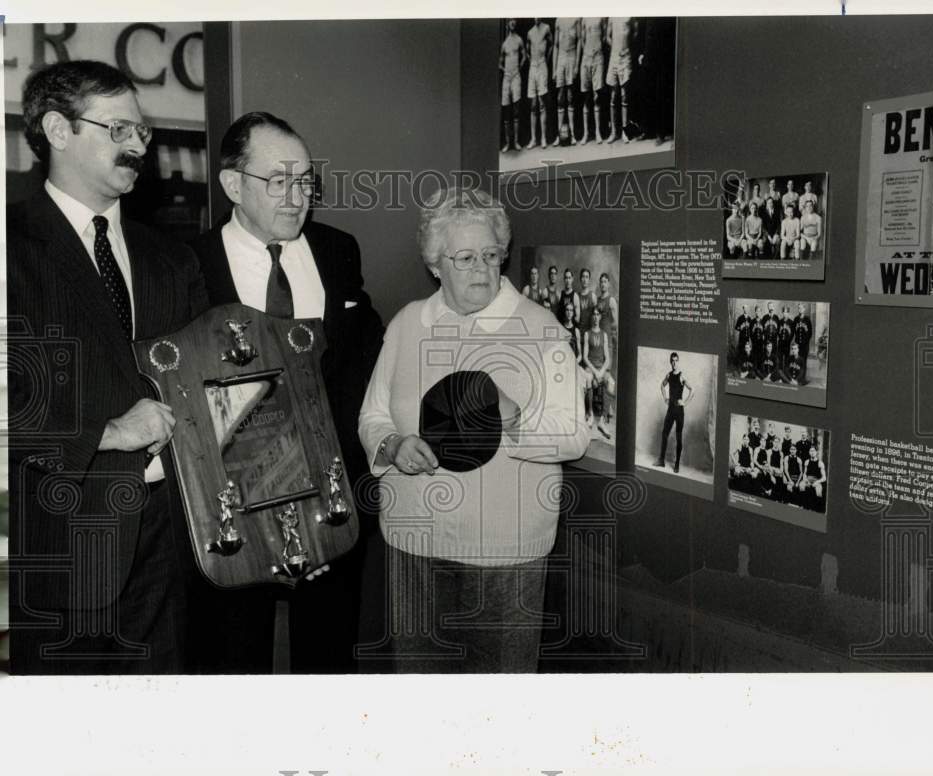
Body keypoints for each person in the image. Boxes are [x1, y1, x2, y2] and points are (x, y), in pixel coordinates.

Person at [7, 60, 209, 674]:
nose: (137, 146)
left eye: (142, 133)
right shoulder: (11, 245)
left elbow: (200, 378)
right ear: (58, 130)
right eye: (119, 128)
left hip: (172, 539)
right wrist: (110, 432)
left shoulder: (169, 256)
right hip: (65, 540)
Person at [358, 188, 589, 673]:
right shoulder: (406, 324)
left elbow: (573, 436)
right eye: (464, 258)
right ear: (435, 264)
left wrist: (512, 415)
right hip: (413, 541)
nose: (481, 269)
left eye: (490, 255)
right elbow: (373, 415)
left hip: (503, 552)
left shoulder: (540, 328)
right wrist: (393, 445)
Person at [188, 111, 384, 674]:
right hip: (231, 512)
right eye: (278, 181)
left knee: (328, 664)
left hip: (331, 503)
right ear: (232, 185)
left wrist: (333, 497)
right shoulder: (187, 265)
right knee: (232, 664)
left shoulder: (337, 250)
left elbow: (355, 368)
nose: (298, 197)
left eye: (305, 181)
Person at [637, 16, 676, 145]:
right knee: (646, 94)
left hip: (662, 59)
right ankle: (647, 130)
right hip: (648, 58)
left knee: (661, 94)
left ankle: (661, 133)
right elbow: (642, 31)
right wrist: (642, 53)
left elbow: (671, 36)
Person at [655, 352, 693, 473]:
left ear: (678, 361)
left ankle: (677, 464)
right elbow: (662, 385)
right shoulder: (669, 375)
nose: (674, 363)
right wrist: (665, 397)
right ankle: (661, 461)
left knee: (678, 437)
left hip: (679, 411)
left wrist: (685, 402)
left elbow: (692, 390)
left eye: (676, 360)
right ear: (670, 362)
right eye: (672, 360)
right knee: (664, 433)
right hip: (670, 409)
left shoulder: (682, 376)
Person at [583, 307, 615, 439]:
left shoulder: (604, 335)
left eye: (597, 314)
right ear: (592, 317)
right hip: (590, 367)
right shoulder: (587, 334)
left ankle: (602, 420)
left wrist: (601, 371)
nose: (595, 317)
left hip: (601, 368)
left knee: (612, 383)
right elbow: (585, 357)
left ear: (600, 317)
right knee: (588, 379)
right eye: (594, 314)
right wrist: (595, 372)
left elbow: (607, 358)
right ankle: (590, 413)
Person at [605, 17, 635, 143]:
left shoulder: (629, 16)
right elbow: (607, 37)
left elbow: (635, 33)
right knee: (613, 95)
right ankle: (613, 132)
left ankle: (625, 132)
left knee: (624, 95)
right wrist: (615, 49)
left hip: (625, 58)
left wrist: (626, 49)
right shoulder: (611, 16)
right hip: (614, 58)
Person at [499, 19, 526, 153]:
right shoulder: (504, 44)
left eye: (515, 20)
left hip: (516, 76)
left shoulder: (519, 40)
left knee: (516, 109)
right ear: (507, 24)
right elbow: (500, 63)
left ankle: (515, 142)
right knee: (506, 109)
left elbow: (524, 56)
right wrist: (506, 71)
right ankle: (508, 143)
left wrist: (518, 68)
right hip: (507, 77)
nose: (513, 23)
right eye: (510, 21)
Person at [553, 17, 582, 145]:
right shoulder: (558, 20)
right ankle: (559, 135)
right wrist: (554, 68)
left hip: (572, 55)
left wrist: (576, 65)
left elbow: (580, 41)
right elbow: (555, 45)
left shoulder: (576, 18)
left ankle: (573, 134)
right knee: (560, 97)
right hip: (561, 58)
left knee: (570, 96)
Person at [526, 18, 553, 150]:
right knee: (533, 104)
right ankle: (533, 138)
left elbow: (552, 44)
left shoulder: (546, 28)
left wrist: (545, 60)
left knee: (542, 103)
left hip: (542, 65)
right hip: (533, 67)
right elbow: (527, 50)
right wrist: (532, 62)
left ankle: (543, 138)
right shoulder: (530, 32)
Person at [579, 17, 606, 144]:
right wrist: (588, 52)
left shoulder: (601, 16)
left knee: (596, 96)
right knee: (586, 97)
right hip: (586, 59)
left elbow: (605, 37)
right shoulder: (583, 18)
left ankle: (598, 132)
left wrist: (597, 50)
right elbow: (582, 39)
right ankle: (586, 133)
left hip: (598, 58)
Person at [799, 446, 828, 511]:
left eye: (813, 451)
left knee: (818, 491)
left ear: (816, 452)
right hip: (808, 479)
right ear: (809, 452)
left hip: (816, 480)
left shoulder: (820, 463)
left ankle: (816, 509)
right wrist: (805, 480)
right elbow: (804, 474)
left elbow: (824, 478)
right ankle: (803, 506)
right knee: (801, 485)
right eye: (810, 451)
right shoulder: (807, 462)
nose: (812, 453)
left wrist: (817, 482)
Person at [793, 303, 813, 380]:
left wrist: (805, 342)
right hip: (797, 345)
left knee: (803, 361)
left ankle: (803, 378)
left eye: (801, 308)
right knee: (797, 361)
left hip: (804, 345)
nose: (800, 309)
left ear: (804, 309)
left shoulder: (807, 319)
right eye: (799, 308)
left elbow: (810, 333)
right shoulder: (796, 319)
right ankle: (797, 377)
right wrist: (796, 342)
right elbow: (794, 331)